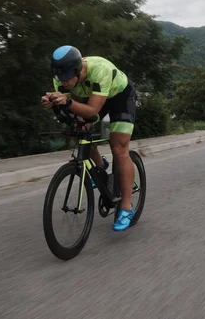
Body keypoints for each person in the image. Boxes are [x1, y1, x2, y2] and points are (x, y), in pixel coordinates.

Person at [41, 45, 138, 231]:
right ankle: (100, 166)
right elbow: (70, 104)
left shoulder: (100, 70)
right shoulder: (61, 78)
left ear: (77, 71)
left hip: (120, 99)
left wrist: (68, 101)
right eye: (59, 78)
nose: (63, 83)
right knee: (78, 129)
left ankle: (126, 207)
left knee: (118, 147)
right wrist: (52, 101)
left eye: (67, 78)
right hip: (97, 98)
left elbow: (93, 112)